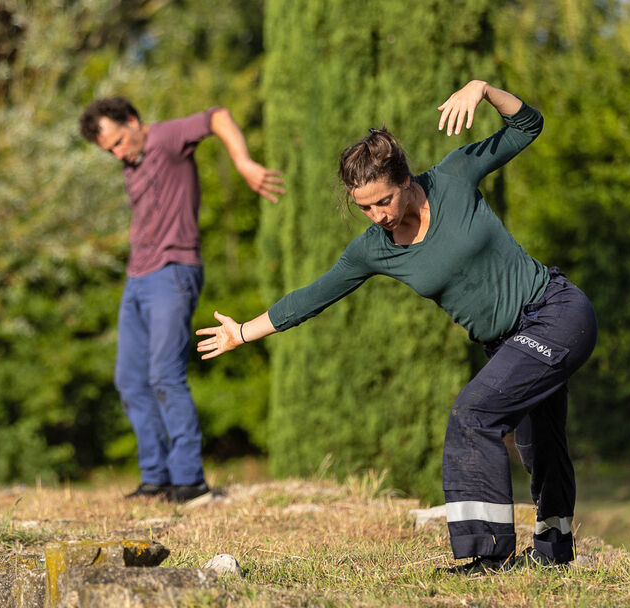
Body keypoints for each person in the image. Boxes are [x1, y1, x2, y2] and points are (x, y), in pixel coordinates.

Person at [196, 80, 597, 571]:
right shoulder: (374, 248)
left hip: (557, 312)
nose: (377, 215)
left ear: (405, 180)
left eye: (383, 201)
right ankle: (554, 555)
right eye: (363, 206)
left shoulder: (454, 175)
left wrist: (484, 89)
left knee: (473, 414)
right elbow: (312, 297)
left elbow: (528, 125)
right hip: (507, 343)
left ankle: (487, 555)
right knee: (542, 444)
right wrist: (242, 332)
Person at [79, 98, 284, 503]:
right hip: (137, 279)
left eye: (119, 141)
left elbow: (218, 116)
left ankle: (190, 482)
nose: (118, 153)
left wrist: (243, 162)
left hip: (173, 271)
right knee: (130, 380)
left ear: (132, 121)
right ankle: (156, 478)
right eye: (109, 151)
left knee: (164, 375)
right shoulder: (132, 163)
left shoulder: (167, 137)